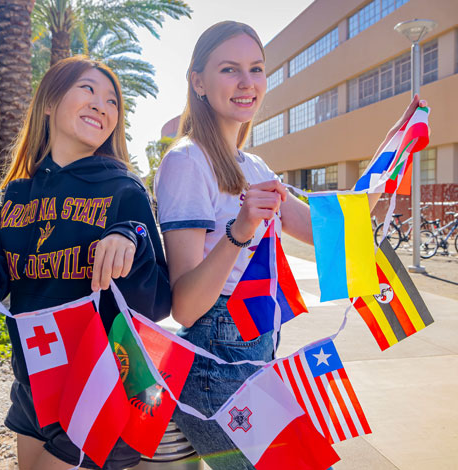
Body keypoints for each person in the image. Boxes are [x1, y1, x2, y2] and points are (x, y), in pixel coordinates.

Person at [154, 21, 426, 469]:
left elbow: (332, 233)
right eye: (229, 69)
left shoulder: (256, 165)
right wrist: (239, 231)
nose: (247, 83)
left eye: (256, 69)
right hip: (213, 366)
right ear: (198, 82)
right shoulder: (187, 161)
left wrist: (391, 150)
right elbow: (184, 307)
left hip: (256, 356)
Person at [0, 56, 170, 470]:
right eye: (88, 90)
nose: (102, 105)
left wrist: (133, 238)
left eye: (112, 101)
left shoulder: (124, 189)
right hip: (31, 387)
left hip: (96, 385)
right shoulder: (14, 195)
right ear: (49, 103)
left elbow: (160, 302)